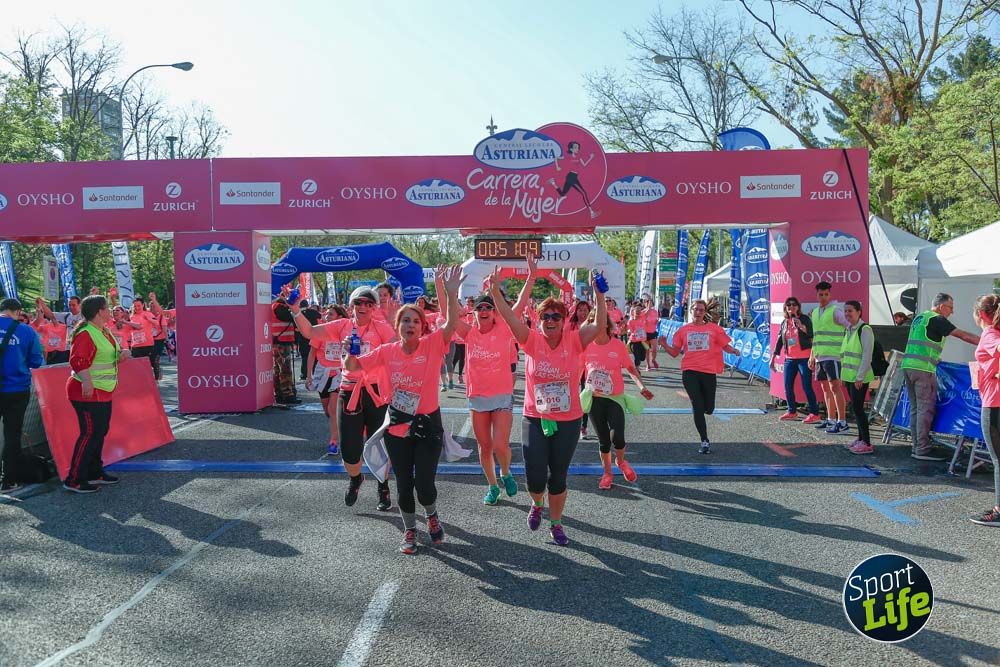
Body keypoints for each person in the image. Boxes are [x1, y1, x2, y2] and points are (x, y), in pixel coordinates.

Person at [342, 266, 464, 554]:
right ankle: (410, 531)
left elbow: (452, 324)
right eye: (405, 320)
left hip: (427, 426)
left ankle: (431, 516)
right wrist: (350, 350)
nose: (410, 325)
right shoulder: (388, 352)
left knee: (424, 484)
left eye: (415, 321)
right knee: (404, 485)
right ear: (398, 327)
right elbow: (352, 367)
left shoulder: (433, 345)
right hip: (396, 425)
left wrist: (451, 292)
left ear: (422, 327)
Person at [489, 260, 606, 546]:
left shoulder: (575, 340)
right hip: (535, 417)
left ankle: (556, 524)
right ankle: (535, 502)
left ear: (564, 320)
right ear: (539, 319)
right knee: (536, 474)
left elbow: (600, 323)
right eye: (546, 316)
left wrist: (599, 295)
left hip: (567, 420)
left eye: (556, 316)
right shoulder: (530, 340)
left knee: (559, 475)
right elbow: (508, 317)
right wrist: (495, 293)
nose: (551, 320)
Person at [294, 286, 397, 511]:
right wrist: (295, 311)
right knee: (350, 447)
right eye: (358, 303)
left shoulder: (381, 328)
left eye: (369, 303)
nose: (363, 307)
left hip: (376, 392)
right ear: (351, 306)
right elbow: (310, 332)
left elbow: (398, 349)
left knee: (378, 443)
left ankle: (383, 485)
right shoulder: (342, 326)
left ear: (374, 308)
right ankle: (355, 478)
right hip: (349, 391)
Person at [455, 257, 535, 506]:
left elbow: (520, 304)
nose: (484, 311)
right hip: (477, 397)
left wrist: (531, 276)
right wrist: (445, 290)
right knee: (485, 446)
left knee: (501, 445)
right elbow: (449, 317)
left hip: (501, 396)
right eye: (479, 308)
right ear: (474, 313)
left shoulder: (504, 329)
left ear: (494, 313)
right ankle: (492, 486)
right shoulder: (468, 333)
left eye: (488, 308)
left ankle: (506, 473)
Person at [901, 293, 980, 461]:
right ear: (941, 306)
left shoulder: (920, 317)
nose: (952, 312)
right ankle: (922, 449)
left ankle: (917, 446)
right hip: (923, 369)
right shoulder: (937, 319)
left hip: (908, 366)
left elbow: (922, 342)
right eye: (950, 307)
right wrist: (988, 342)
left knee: (916, 409)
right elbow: (963, 335)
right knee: (925, 409)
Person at [582, 310, 654, 489]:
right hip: (594, 399)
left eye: (598, 321)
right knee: (604, 441)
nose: (595, 326)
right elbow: (575, 371)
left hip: (615, 399)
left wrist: (641, 387)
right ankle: (607, 473)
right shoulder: (586, 346)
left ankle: (620, 462)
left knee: (618, 438)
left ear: (606, 324)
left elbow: (631, 368)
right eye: (591, 322)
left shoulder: (617, 346)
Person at [62, 295, 127, 493]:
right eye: (107, 308)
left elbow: (103, 357)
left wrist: (120, 356)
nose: (110, 311)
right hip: (87, 391)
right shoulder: (86, 332)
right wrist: (88, 382)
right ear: (99, 311)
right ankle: (73, 479)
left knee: (99, 432)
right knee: (90, 434)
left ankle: (94, 472)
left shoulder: (102, 330)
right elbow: (78, 360)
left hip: (102, 390)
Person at [661, 299, 742, 454]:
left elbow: (724, 345)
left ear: (705, 313)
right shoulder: (683, 331)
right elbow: (675, 352)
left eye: (701, 310)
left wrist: (733, 351)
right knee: (697, 406)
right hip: (690, 371)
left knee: (709, 408)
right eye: (695, 309)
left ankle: (705, 412)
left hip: (709, 372)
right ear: (690, 311)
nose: (698, 312)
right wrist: (664, 345)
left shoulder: (714, 329)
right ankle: (704, 440)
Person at [0, 299, 45, 492]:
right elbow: (36, 362)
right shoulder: (27, 331)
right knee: (12, 434)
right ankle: (8, 480)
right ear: (18, 312)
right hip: (16, 389)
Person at [970, 294, 1000, 526]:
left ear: (981, 314)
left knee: (998, 458)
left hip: (994, 402)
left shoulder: (990, 333)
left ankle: (999, 511)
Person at [770, 297, 822, 424]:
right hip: (790, 359)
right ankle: (792, 411)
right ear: (785, 308)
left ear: (798, 307)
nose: (791, 307)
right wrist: (773, 357)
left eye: (794, 305)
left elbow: (811, 335)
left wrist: (801, 326)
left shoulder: (804, 319)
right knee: (787, 386)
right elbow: (779, 341)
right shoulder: (784, 322)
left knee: (806, 386)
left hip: (804, 358)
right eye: (788, 305)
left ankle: (814, 413)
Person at [306, 304, 348, 455]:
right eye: (326, 314)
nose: (326, 316)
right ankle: (338, 426)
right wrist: (309, 375)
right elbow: (311, 354)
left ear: (340, 318)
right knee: (328, 410)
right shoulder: (321, 331)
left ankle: (334, 442)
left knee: (333, 408)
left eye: (330, 314)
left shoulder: (346, 332)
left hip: (340, 373)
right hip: (322, 373)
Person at [808, 282, 848, 434]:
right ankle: (831, 419)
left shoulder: (836, 311)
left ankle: (842, 421)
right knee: (825, 388)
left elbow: (849, 326)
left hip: (833, 355)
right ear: (816, 295)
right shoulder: (816, 312)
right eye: (820, 294)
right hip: (820, 356)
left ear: (830, 295)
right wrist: (812, 356)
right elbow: (816, 336)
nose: (823, 297)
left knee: (835, 387)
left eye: (826, 294)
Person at [840, 301, 876, 455]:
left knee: (858, 409)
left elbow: (867, 356)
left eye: (850, 311)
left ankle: (867, 442)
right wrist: (844, 377)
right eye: (846, 311)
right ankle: (861, 439)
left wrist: (859, 377)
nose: (848, 314)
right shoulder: (848, 329)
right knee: (855, 408)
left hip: (859, 378)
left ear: (859, 312)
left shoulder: (865, 330)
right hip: (850, 377)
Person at [547, 140, 599, 219]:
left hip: (574, 177)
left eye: (578, 147)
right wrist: (557, 167)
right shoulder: (568, 156)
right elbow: (556, 158)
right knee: (583, 193)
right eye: (575, 147)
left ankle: (553, 183)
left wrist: (590, 158)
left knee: (563, 194)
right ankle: (591, 212)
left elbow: (584, 164)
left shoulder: (579, 157)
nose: (577, 149)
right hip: (571, 177)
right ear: (571, 149)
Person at [271, 291, 300, 405]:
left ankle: (279, 393)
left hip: (280, 340)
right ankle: (287, 394)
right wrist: (293, 308)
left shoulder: (277, 306)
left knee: (279, 369)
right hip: (281, 341)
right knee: (285, 369)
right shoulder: (279, 307)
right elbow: (290, 317)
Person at [36, 296, 83, 364]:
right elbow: (51, 315)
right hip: (68, 348)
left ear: (79, 305)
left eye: (73, 305)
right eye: (69, 305)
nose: (71, 307)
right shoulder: (67, 316)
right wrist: (41, 304)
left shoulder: (85, 316)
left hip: (81, 348)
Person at [127, 297, 159, 379]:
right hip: (136, 346)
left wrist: (148, 319)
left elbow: (157, 323)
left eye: (139, 306)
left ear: (143, 305)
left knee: (151, 365)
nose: (137, 308)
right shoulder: (131, 316)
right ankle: (141, 383)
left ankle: (155, 381)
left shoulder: (148, 314)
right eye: (135, 306)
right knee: (137, 367)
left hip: (148, 344)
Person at [296, 300, 321, 380]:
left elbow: (295, 326)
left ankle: (304, 374)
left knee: (304, 356)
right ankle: (314, 372)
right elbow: (320, 317)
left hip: (303, 337)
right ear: (307, 305)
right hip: (314, 335)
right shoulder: (313, 312)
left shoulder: (298, 314)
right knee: (314, 355)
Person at [642, 295, 660, 371]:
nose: (649, 303)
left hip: (652, 332)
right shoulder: (643, 312)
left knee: (655, 349)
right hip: (645, 333)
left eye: (650, 302)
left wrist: (657, 322)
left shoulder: (655, 312)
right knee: (647, 350)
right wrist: (649, 300)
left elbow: (655, 321)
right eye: (647, 302)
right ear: (645, 303)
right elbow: (646, 315)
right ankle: (648, 365)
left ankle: (653, 359)